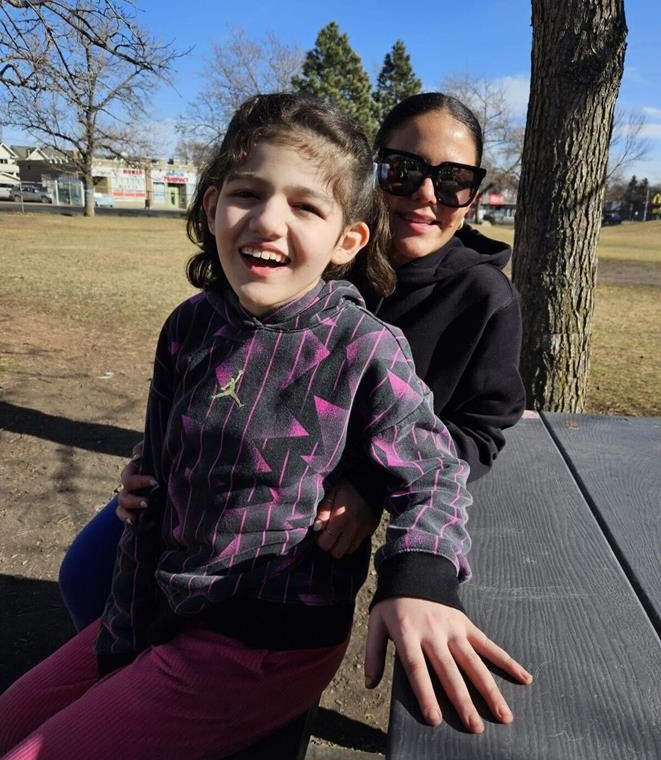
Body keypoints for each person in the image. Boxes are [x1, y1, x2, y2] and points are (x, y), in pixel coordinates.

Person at [0, 93, 531, 760]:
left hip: (264, 623)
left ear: (347, 239)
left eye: (452, 179)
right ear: (212, 206)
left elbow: (437, 466)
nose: (270, 221)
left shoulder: (386, 334)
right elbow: (170, 440)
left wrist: (420, 572)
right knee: (66, 615)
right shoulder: (192, 323)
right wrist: (150, 472)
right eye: (404, 170)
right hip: (164, 585)